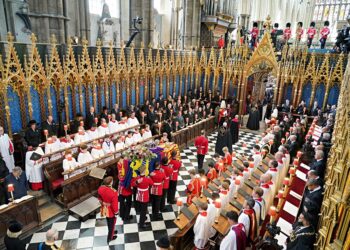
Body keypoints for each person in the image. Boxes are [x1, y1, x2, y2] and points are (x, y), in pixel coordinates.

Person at [98, 176, 119, 243]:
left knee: (109, 222)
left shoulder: (100, 188)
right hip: (111, 210)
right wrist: (116, 212)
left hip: (104, 208)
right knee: (111, 224)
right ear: (111, 183)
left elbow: (99, 198)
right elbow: (114, 204)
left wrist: (103, 203)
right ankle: (110, 237)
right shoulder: (114, 192)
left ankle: (112, 231)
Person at [117, 156, 133, 222]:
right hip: (126, 189)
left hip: (121, 188)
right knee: (128, 203)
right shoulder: (126, 169)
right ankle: (126, 217)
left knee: (122, 202)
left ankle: (122, 214)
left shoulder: (119, 164)